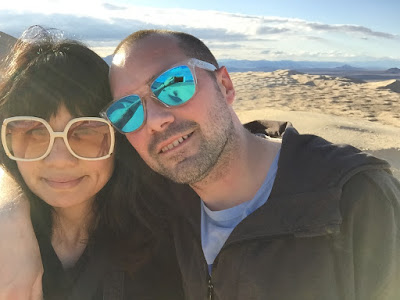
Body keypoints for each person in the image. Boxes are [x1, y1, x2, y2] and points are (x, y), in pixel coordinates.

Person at [101, 29, 400, 299]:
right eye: (127, 111)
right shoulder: (165, 211)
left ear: (225, 85)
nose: (155, 120)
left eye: (173, 84)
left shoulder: (357, 198)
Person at [0, 26, 183, 300]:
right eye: (34, 132)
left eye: (86, 132)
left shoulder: (171, 232)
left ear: (117, 140)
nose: (60, 160)